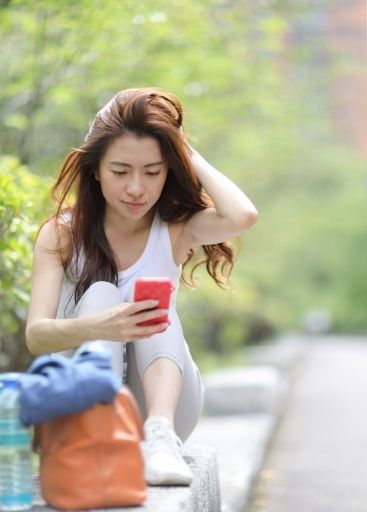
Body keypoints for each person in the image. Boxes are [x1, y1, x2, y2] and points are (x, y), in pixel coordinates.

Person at [25, 87, 258, 486]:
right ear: (95, 169)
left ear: (169, 170)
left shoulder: (175, 228)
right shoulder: (61, 235)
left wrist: (183, 147)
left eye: (152, 171)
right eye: (120, 172)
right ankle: (99, 432)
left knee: (154, 307)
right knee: (101, 294)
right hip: (83, 401)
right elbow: (36, 336)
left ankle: (159, 438)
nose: (136, 188)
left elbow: (243, 215)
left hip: (164, 408)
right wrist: (100, 327)